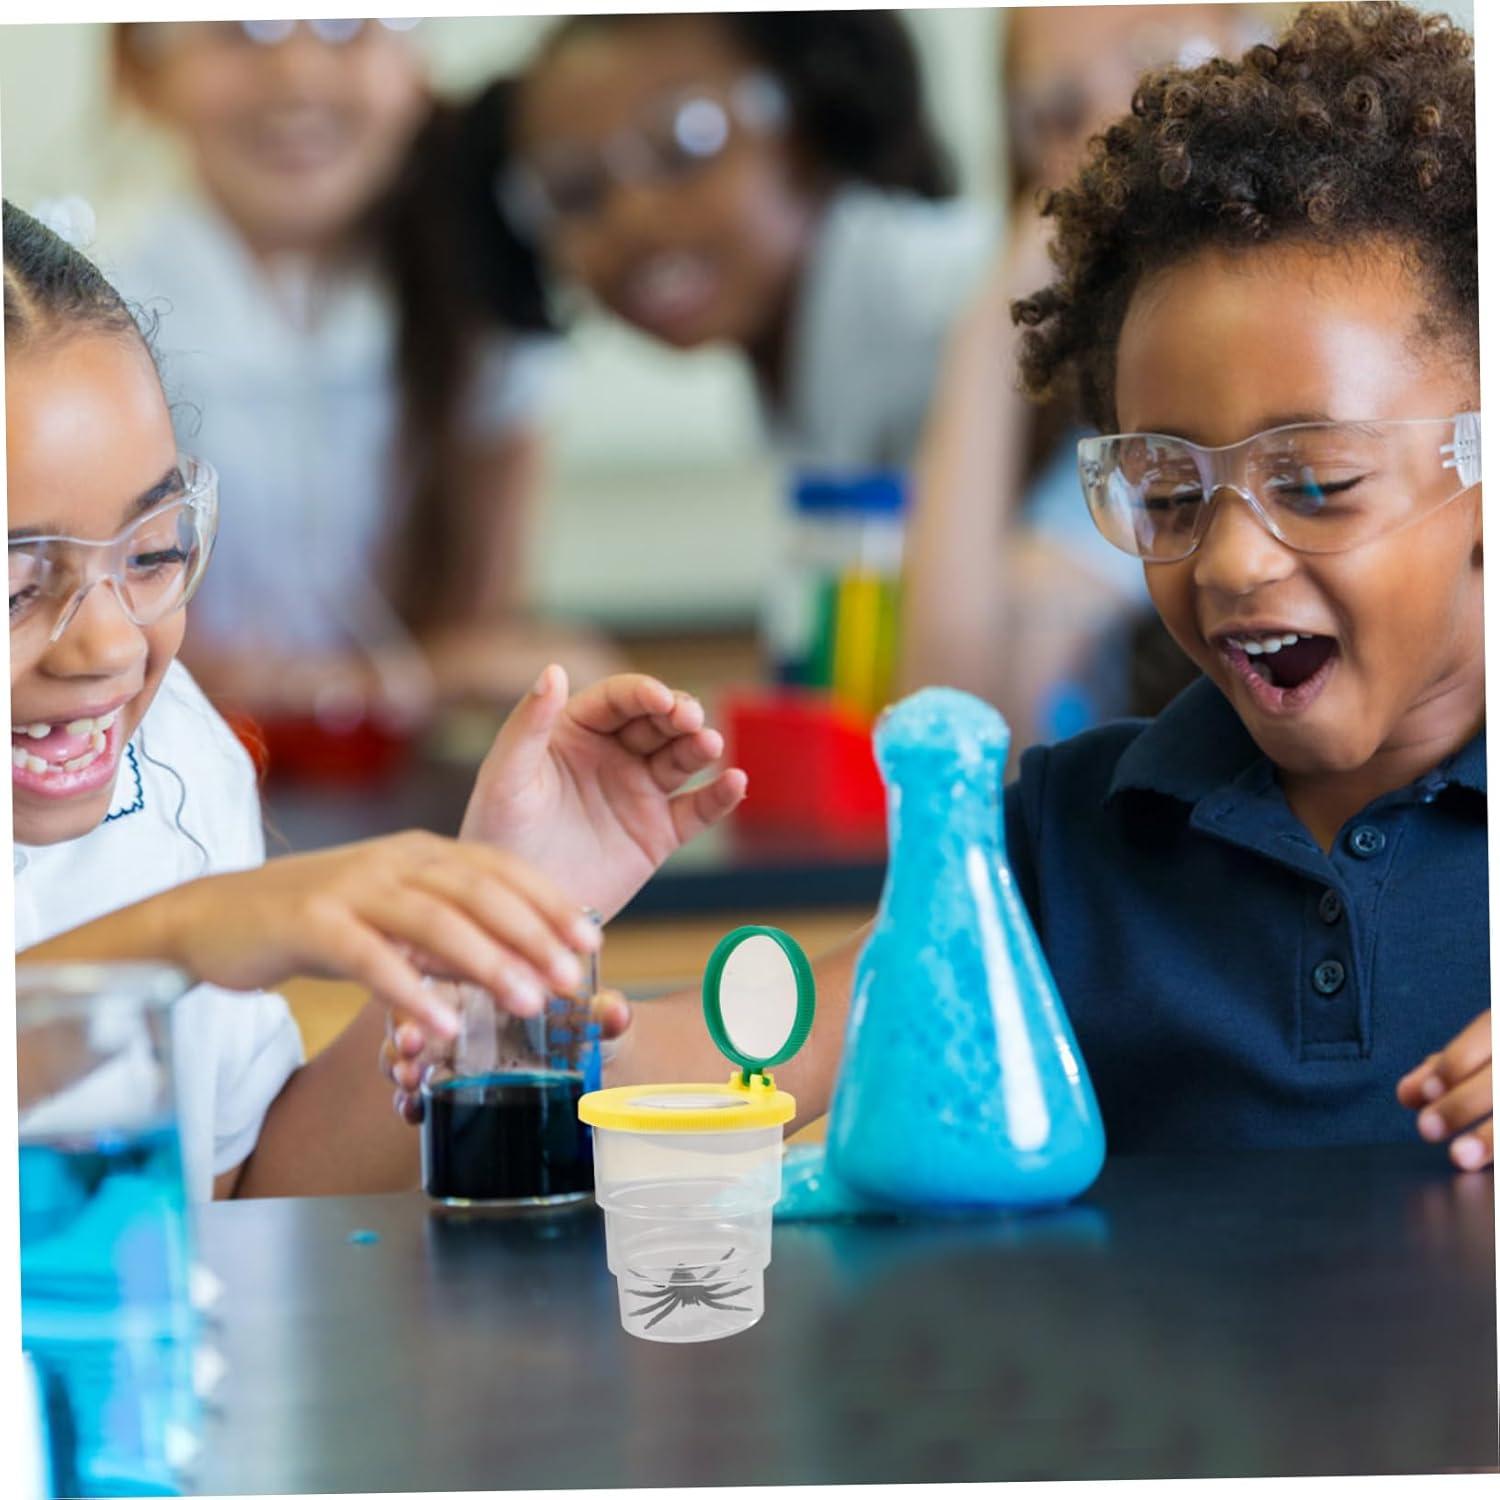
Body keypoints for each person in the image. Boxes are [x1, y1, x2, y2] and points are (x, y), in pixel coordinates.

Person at [394, 2, 1492, 1173]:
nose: (1228, 561)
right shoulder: (1070, 847)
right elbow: (766, 1057)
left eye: (1319, 482)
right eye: (1167, 494)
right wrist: (516, 1007)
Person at [7, 198, 746, 1199]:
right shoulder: (177, 894)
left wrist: (474, 949)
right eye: (15, 585)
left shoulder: (171, 763)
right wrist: (175, 938)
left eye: (151, 553)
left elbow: (243, 1199)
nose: (109, 644)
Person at [105, 19, 616, 722]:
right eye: (243, 29)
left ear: (414, 63)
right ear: (142, 68)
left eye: (347, 25)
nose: (298, 76)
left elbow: (488, 623)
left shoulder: (485, 292)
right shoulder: (82, 301)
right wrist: (401, 680)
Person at [900, 4, 1262, 752]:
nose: (1114, 137)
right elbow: (946, 733)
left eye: (1165, 66)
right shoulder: (1107, 443)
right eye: (1062, 114)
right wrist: (993, 323)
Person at [489, 11, 996, 473]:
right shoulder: (797, 358)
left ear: (802, 113)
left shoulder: (954, 303)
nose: (632, 218)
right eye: (572, 190)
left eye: (682, 143)